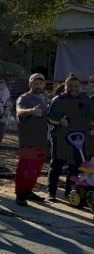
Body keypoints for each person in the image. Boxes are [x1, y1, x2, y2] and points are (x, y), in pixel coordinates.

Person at [46, 74, 94, 202]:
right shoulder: (58, 100)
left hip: (80, 139)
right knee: (56, 165)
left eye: (76, 86)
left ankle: (70, 191)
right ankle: (51, 192)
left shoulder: (86, 100)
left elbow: (91, 117)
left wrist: (91, 129)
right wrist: (59, 122)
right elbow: (49, 118)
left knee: (75, 166)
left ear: (81, 87)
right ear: (65, 86)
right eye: (70, 86)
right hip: (61, 138)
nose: (73, 88)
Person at [14, 73, 49, 205]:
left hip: (41, 139)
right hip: (28, 140)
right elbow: (19, 111)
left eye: (40, 83)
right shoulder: (24, 98)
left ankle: (28, 190)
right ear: (29, 84)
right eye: (35, 83)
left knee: (37, 167)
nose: (38, 85)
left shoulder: (43, 98)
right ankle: (20, 194)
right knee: (25, 167)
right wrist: (30, 111)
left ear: (44, 84)